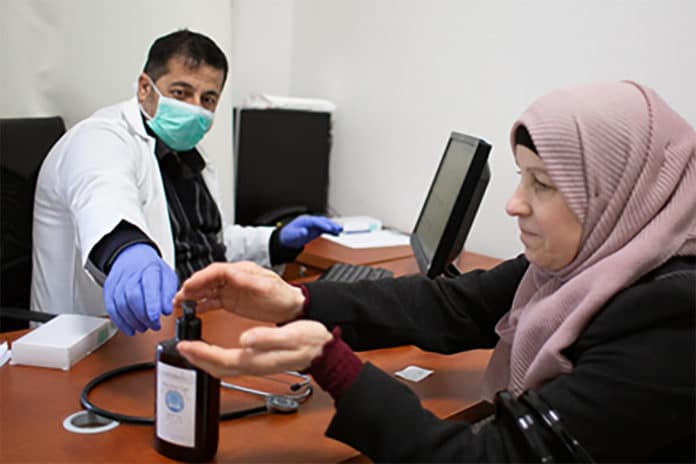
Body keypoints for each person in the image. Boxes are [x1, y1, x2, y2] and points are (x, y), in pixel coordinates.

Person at [173, 81, 696, 462]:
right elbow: (457, 304)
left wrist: (333, 365)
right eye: (522, 178)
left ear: (617, 193)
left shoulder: (672, 324)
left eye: (542, 184)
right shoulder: (586, 265)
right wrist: (298, 302)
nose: (514, 204)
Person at [31, 29, 341, 336]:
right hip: (95, 342)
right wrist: (129, 253)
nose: (195, 108)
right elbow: (103, 199)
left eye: (208, 99)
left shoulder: (191, 158)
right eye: (181, 92)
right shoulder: (100, 138)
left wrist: (276, 241)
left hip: (200, 316)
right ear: (144, 88)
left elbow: (205, 244)